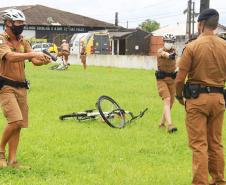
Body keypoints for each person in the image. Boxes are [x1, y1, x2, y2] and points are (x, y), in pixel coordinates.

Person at [175, 9, 226, 185]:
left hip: (197, 101)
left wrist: (179, 96)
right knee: (216, 142)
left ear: (200, 24)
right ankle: (219, 180)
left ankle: (200, 182)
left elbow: (180, 78)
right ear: (216, 24)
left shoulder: (192, 46)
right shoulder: (225, 46)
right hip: (219, 100)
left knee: (199, 145)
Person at [0, 9, 51, 168]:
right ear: (8, 23)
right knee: (15, 121)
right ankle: (0, 151)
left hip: (22, 87)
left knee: (20, 124)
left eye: (23, 23)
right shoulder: (1, 40)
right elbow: (10, 57)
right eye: (18, 23)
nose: (21, 26)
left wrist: (43, 59)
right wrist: (31, 55)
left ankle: (13, 161)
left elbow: (34, 60)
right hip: (6, 86)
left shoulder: (23, 41)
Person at [155, 33, 178, 133]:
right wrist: (169, 55)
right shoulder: (160, 51)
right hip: (162, 80)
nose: (169, 43)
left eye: (171, 42)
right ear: (164, 42)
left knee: (171, 102)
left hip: (172, 80)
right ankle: (170, 125)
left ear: (173, 43)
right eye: (167, 41)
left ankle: (161, 123)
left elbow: (178, 60)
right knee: (167, 99)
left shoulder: (175, 52)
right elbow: (164, 54)